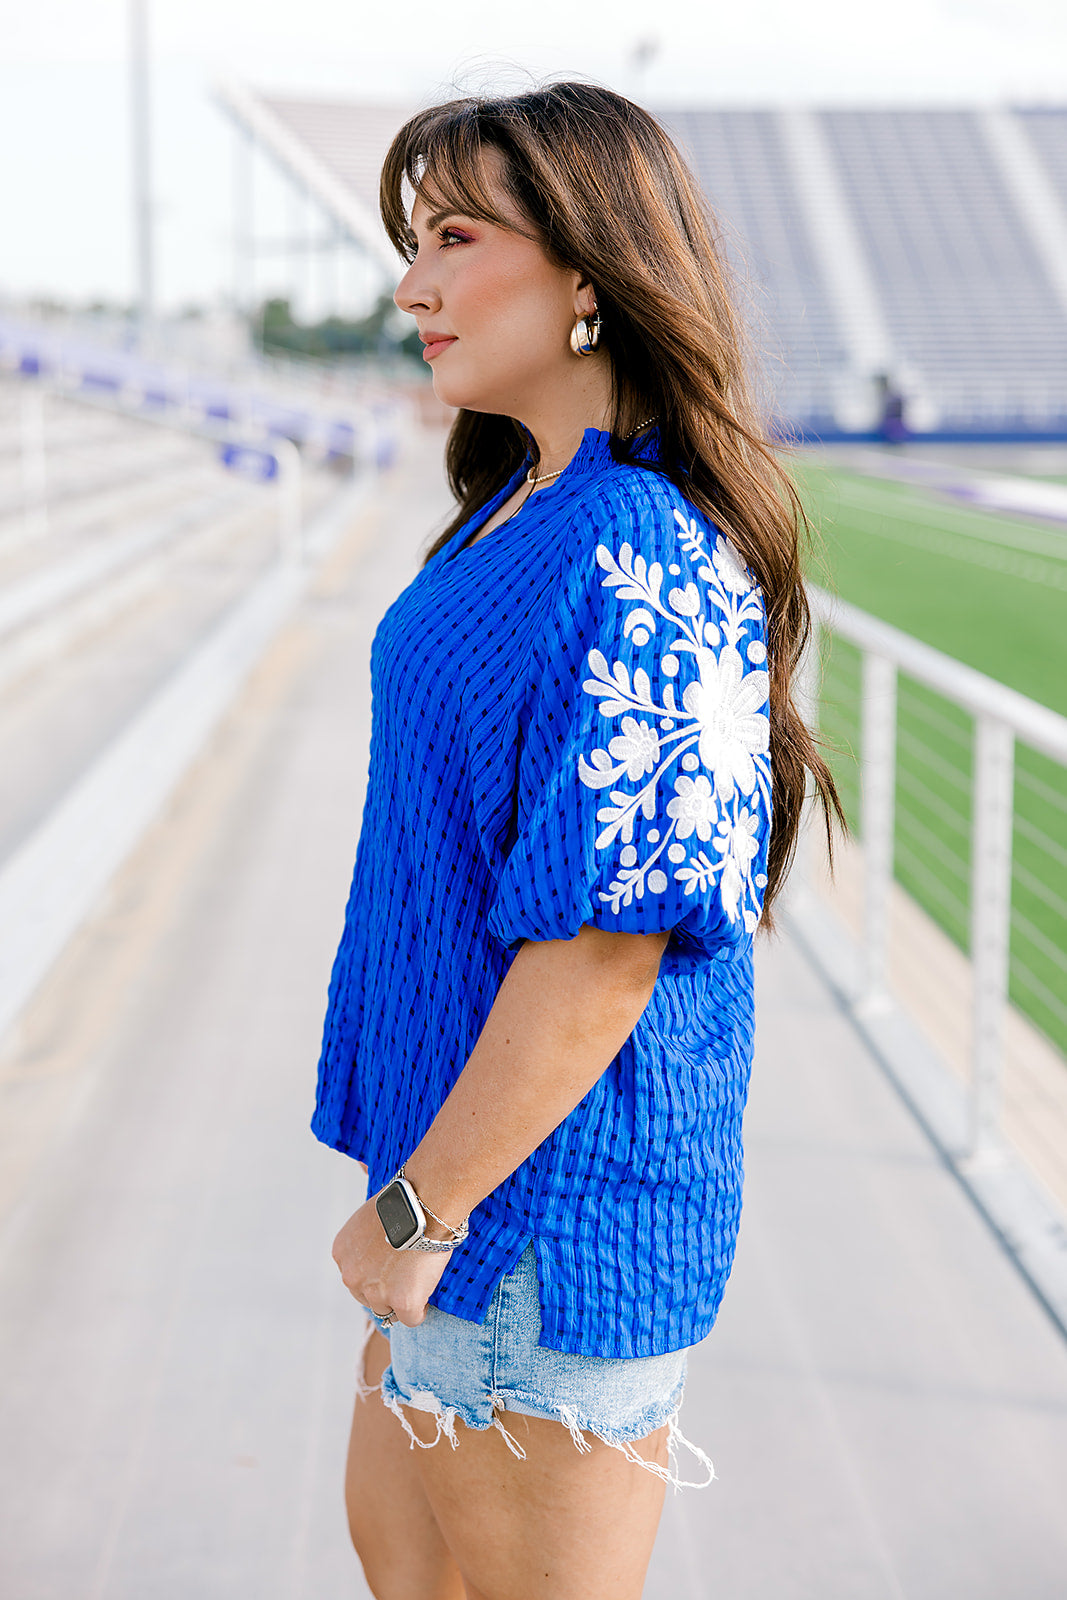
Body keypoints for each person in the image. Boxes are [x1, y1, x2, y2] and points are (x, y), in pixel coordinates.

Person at [313, 82, 843, 1600]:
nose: (414, 284)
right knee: (407, 1569)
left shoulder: (646, 550)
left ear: (594, 273)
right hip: (458, 1193)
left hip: (543, 1224)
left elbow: (611, 939)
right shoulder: (521, 505)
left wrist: (422, 1208)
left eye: (457, 237)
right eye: (412, 240)